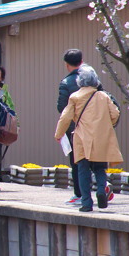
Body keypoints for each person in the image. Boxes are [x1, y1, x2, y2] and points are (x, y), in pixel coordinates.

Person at [55, 66, 123, 212]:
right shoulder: (103, 96)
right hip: (100, 137)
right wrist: (106, 125)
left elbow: (65, 117)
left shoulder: (75, 97)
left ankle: (86, 202)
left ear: (80, 81)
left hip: (82, 138)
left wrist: (59, 134)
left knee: (83, 169)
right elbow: (115, 113)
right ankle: (100, 190)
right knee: (100, 168)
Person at [57, 49, 84, 205]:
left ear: (66, 64)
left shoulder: (66, 83)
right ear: (81, 61)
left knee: (76, 161)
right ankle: (103, 186)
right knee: (92, 159)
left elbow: (62, 107)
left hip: (74, 128)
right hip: (93, 126)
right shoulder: (92, 79)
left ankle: (79, 194)